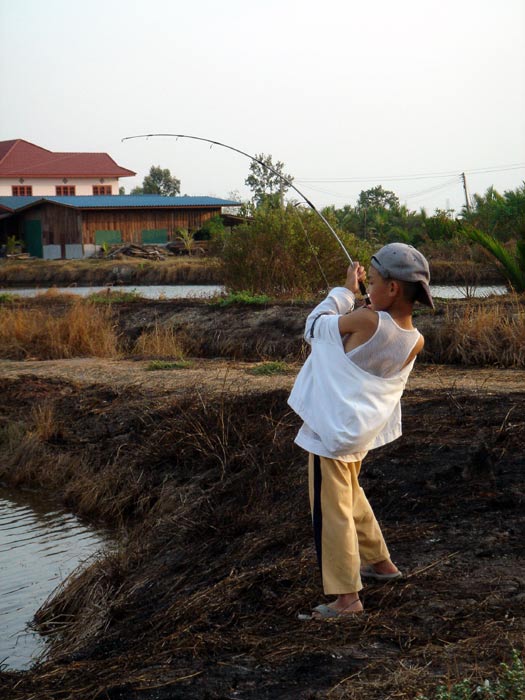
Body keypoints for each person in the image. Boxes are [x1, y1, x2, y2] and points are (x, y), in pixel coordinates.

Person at [288, 242, 434, 618]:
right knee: (350, 495)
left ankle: (346, 598)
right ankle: (380, 562)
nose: (367, 288)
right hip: (359, 432)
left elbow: (314, 327)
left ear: (393, 289)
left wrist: (343, 293)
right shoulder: (414, 341)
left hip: (331, 433)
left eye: (373, 282)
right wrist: (363, 300)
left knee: (331, 510)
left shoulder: (367, 320)